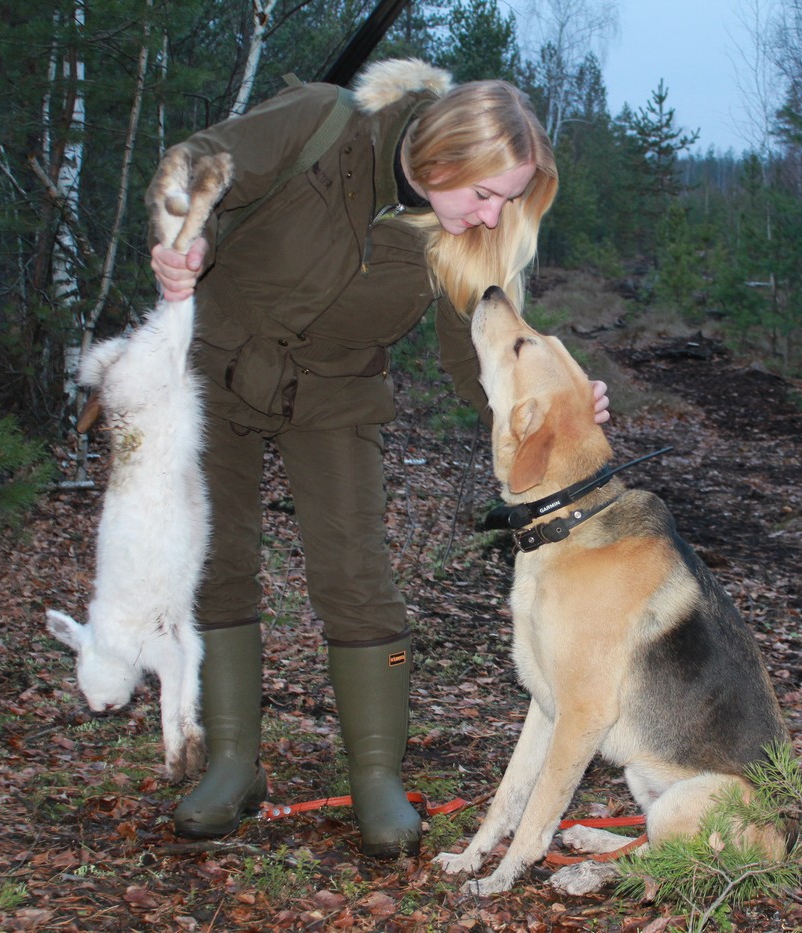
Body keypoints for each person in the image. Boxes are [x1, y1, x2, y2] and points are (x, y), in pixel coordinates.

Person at [147, 58, 610, 857]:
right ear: (442, 158)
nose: (493, 213)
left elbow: (485, 374)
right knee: (217, 562)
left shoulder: (467, 237)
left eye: (508, 198)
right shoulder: (323, 123)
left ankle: (375, 776)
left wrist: (563, 414)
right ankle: (231, 764)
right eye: (485, 192)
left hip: (334, 396)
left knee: (355, 576)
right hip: (216, 368)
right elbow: (198, 165)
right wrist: (182, 238)